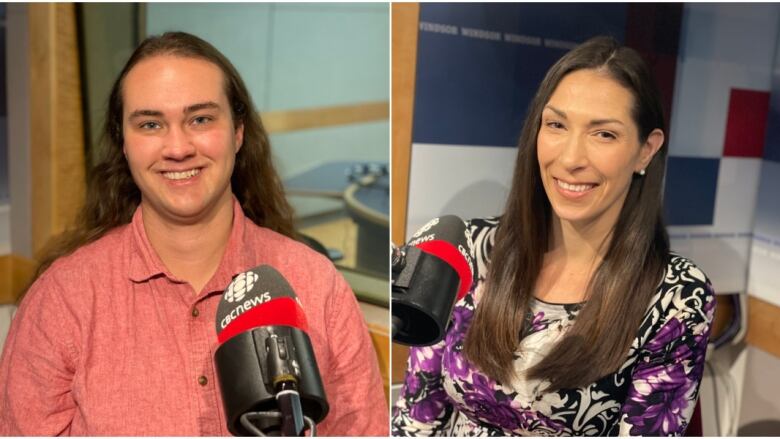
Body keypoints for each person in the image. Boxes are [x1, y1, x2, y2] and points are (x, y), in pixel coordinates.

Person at [0, 32, 388, 436]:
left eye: (200, 119)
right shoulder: (63, 300)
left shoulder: (317, 287)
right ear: (124, 143)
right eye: (151, 124)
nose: (178, 147)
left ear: (238, 132)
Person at [392, 36, 715, 436]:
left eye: (604, 134)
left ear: (646, 150)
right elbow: (416, 417)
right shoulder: (468, 251)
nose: (570, 159)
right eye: (557, 125)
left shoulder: (677, 297)